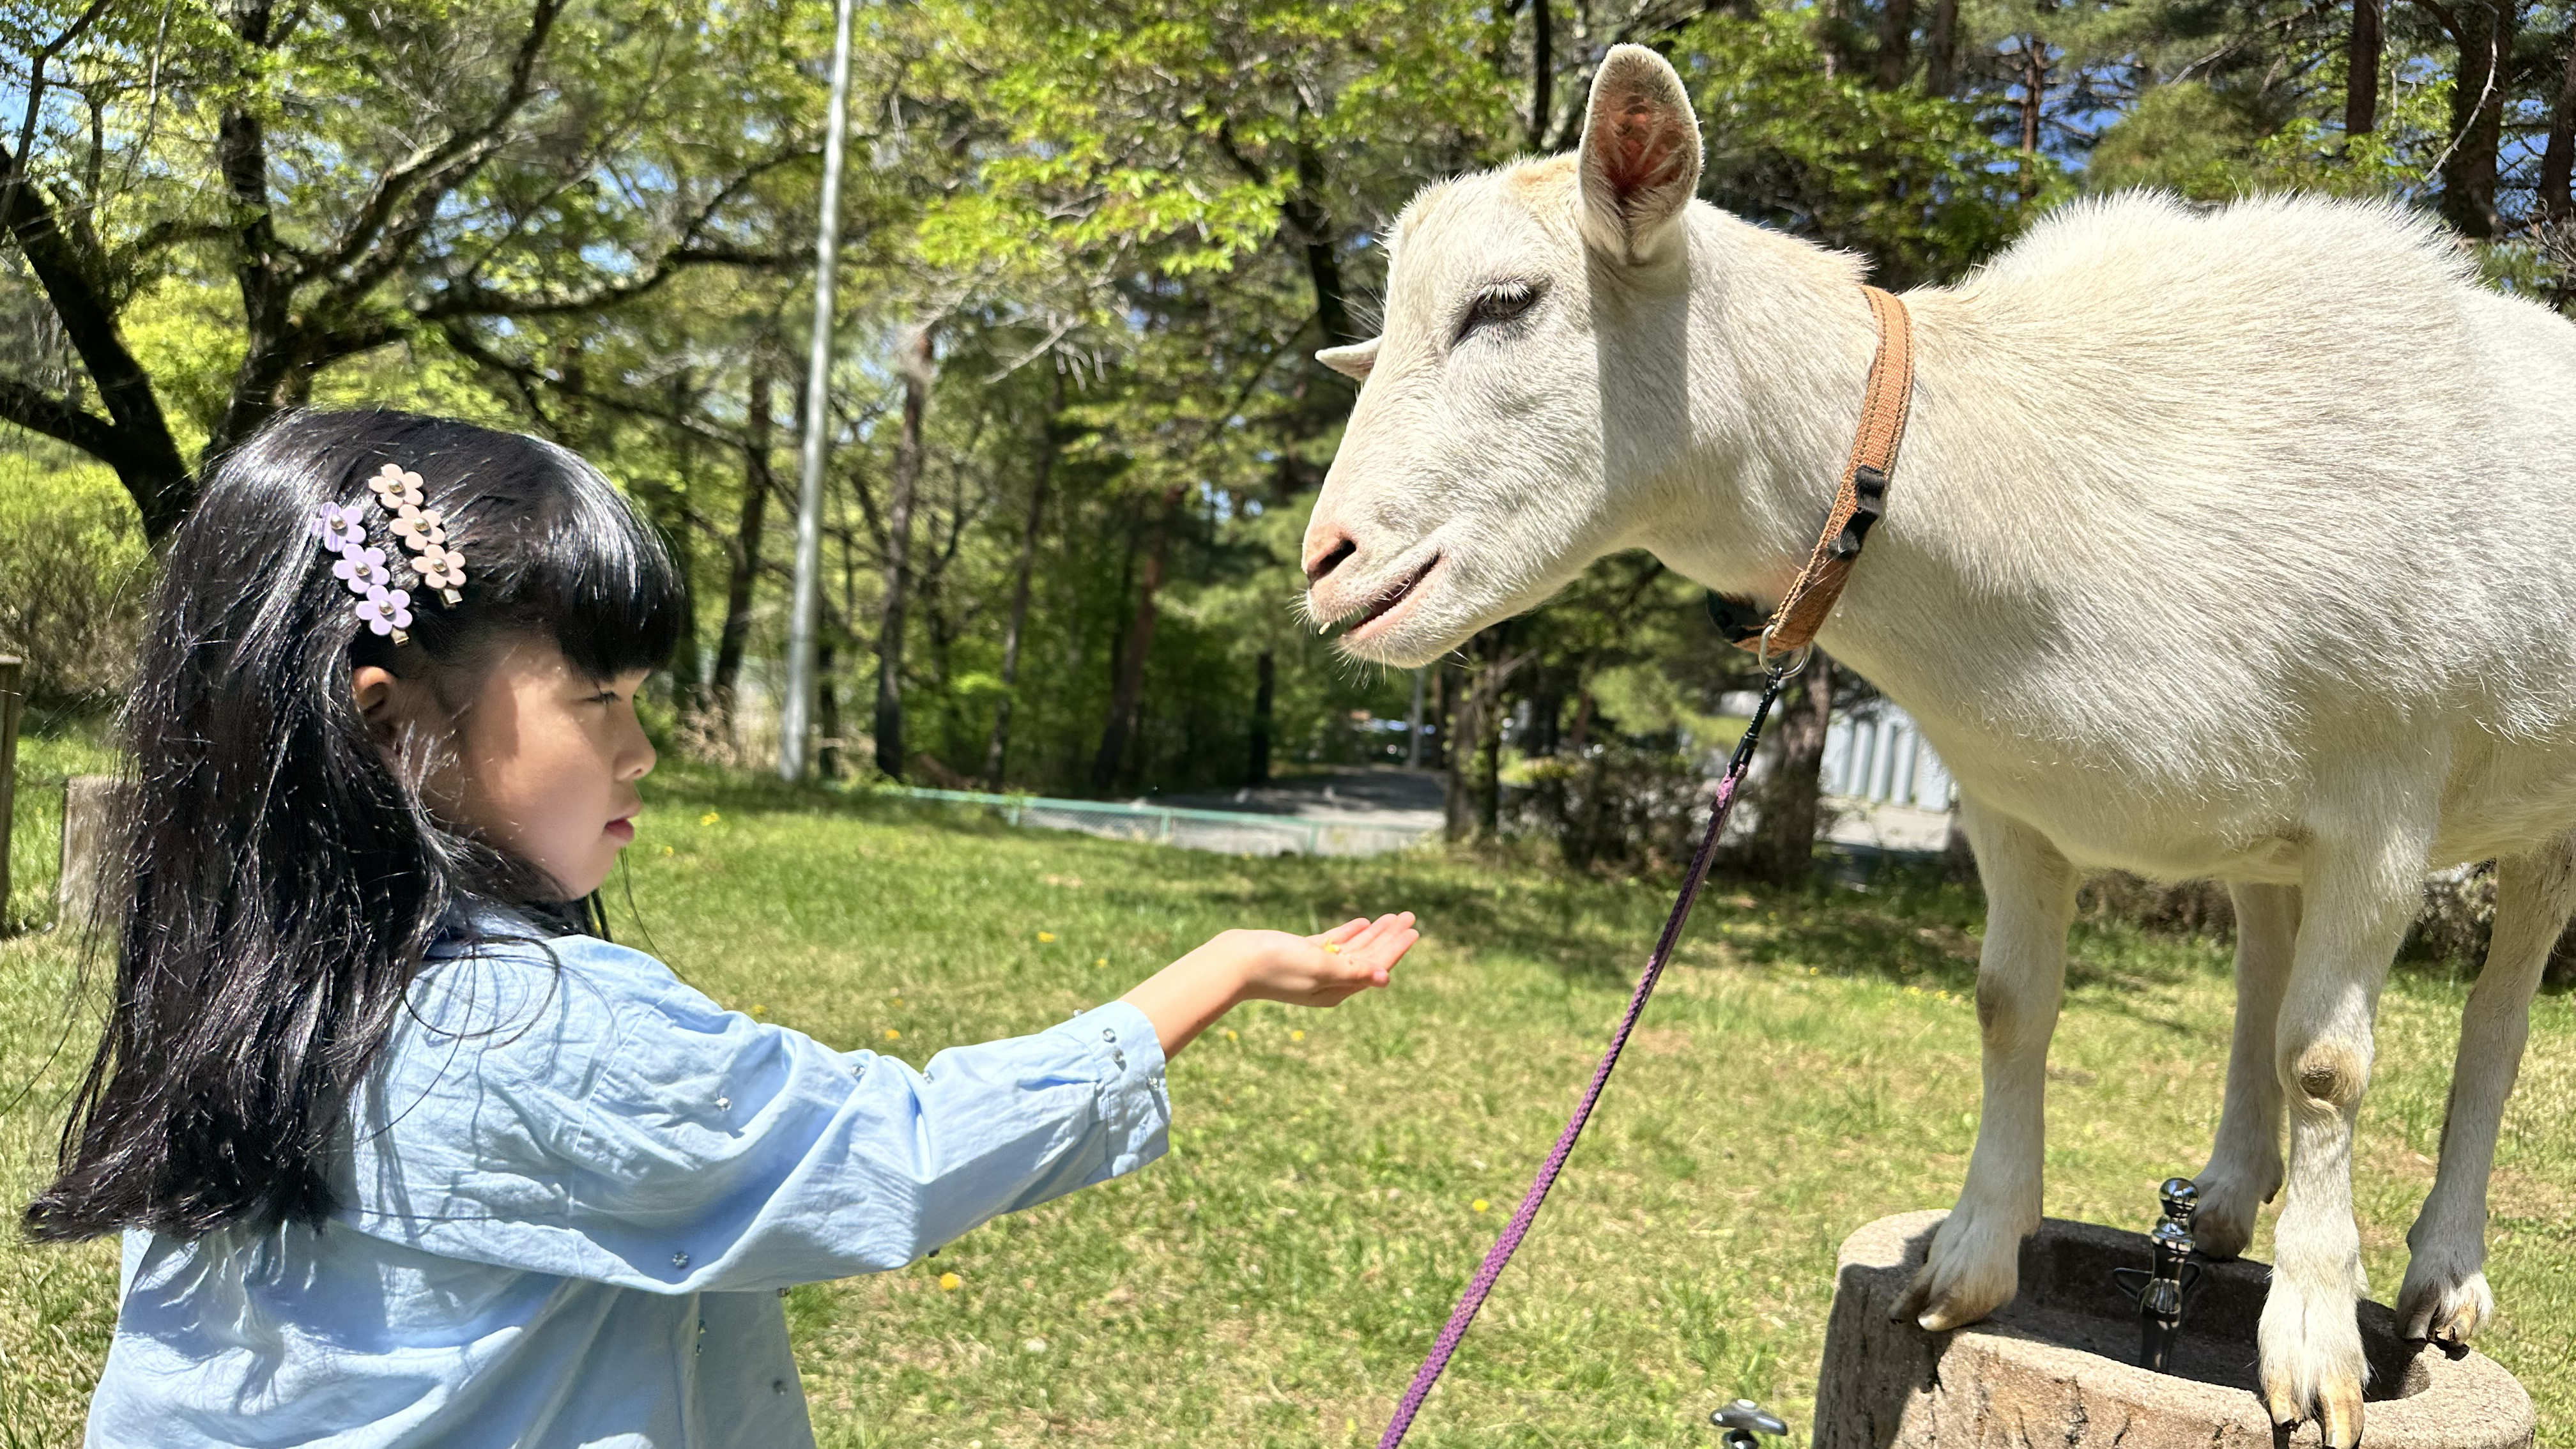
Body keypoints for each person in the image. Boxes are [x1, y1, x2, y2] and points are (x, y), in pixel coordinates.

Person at [24, 411, 1420, 1448]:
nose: (641, 753)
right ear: (390, 726)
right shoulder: (538, 1031)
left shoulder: (247, 998)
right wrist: (1218, 970)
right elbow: (898, 1153)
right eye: (599, 701)